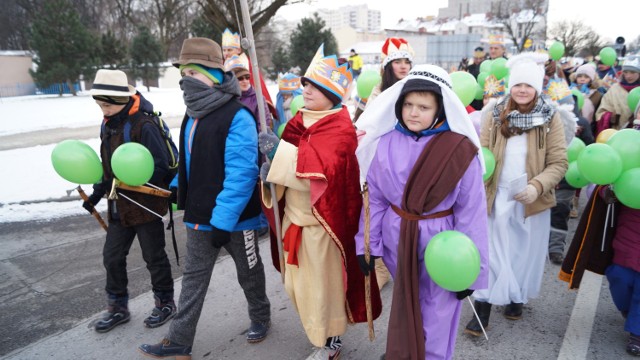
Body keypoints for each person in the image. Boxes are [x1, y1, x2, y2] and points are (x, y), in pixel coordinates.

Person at [139, 37, 271, 359]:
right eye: (183, 72)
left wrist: (223, 221)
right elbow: (190, 161)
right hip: (199, 218)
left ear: (213, 74)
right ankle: (179, 342)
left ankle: (261, 317)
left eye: (193, 73)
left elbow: (241, 175)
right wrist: (174, 187)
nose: (186, 79)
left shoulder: (237, 116)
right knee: (193, 283)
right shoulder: (191, 115)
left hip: (237, 220)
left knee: (249, 275)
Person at [354, 64, 489, 360]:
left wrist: (471, 273)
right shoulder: (385, 142)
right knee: (406, 304)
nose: (414, 112)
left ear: (441, 109)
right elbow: (375, 199)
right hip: (396, 240)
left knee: (438, 314)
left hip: (444, 247)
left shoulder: (459, 150)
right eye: (408, 104)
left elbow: (472, 213)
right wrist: (367, 246)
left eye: (424, 107)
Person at [258, 45, 382, 360]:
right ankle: (323, 334)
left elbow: (321, 174)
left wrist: (278, 157)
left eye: (316, 86)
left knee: (323, 291)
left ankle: (332, 342)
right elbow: (289, 163)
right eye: (307, 84)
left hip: (321, 227)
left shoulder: (341, 130)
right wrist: (270, 172)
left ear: (333, 94)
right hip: (295, 222)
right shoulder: (300, 121)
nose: (307, 90)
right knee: (300, 289)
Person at [465, 52, 568, 336]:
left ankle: (516, 296)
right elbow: (482, 153)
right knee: (493, 251)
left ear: (537, 88)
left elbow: (559, 162)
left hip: (531, 200)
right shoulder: (495, 113)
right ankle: (483, 305)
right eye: (518, 84)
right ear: (511, 86)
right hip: (496, 195)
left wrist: (536, 186)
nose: (522, 90)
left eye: (529, 85)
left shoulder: (550, 116)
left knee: (522, 252)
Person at [83, 69, 176, 334]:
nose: (104, 110)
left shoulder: (143, 125)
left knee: (153, 256)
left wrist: (134, 180)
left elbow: (159, 167)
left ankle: (165, 302)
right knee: (111, 257)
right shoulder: (108, 124)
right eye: (101, 105)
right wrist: (96, 194)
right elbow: (106, 166)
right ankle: (118, 307)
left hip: (146, 205)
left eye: (108, 104)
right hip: (117, 206)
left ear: (122, 100)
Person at [547, 95, 594, 265]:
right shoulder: (541, 122)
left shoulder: (580, 123)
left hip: (566, 179)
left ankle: (556, 249)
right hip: (543, 178)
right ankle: (537, 245)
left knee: (560, 211)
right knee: (538, 213)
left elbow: (589, 147)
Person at [353, 37, 414, 125]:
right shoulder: (378, 92)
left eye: (407, 62)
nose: (403, 66)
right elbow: (370, 122)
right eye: (397, 62)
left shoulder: (415, 88)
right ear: (388, 66)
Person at [221, 28, 276, 114]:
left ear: (238, 50)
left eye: (229, 50)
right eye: (224, 50)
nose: (226, 53)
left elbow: (256, 84)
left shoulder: (247, 63)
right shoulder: (222, 64)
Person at [225, 54, 273, 131]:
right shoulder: (226, 98)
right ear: (232, 80)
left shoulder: (257, 98)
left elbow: (264, 124)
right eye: (240, 78)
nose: (245, 81)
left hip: (252, 139)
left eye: (247, 77)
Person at [595, 55, 640, 134]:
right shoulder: (614, 89)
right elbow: (601, 112)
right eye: (625, 72)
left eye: (633, 72)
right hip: (616, 134)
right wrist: (610, 117)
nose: (628, 76)